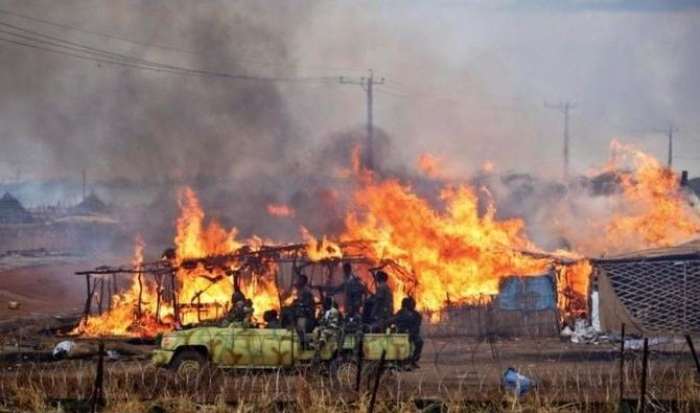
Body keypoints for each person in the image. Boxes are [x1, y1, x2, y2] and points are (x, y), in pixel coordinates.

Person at [389, 296, 423, 368]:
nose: (413, 305)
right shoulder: (400, 313)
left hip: (412, 333)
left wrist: (411, 333)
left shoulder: (417, 315)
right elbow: (393, 321)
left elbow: (417, 326)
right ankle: (397, 361)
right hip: (400, 333)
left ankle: (413, 360)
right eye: (411, 304)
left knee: (419, 342)